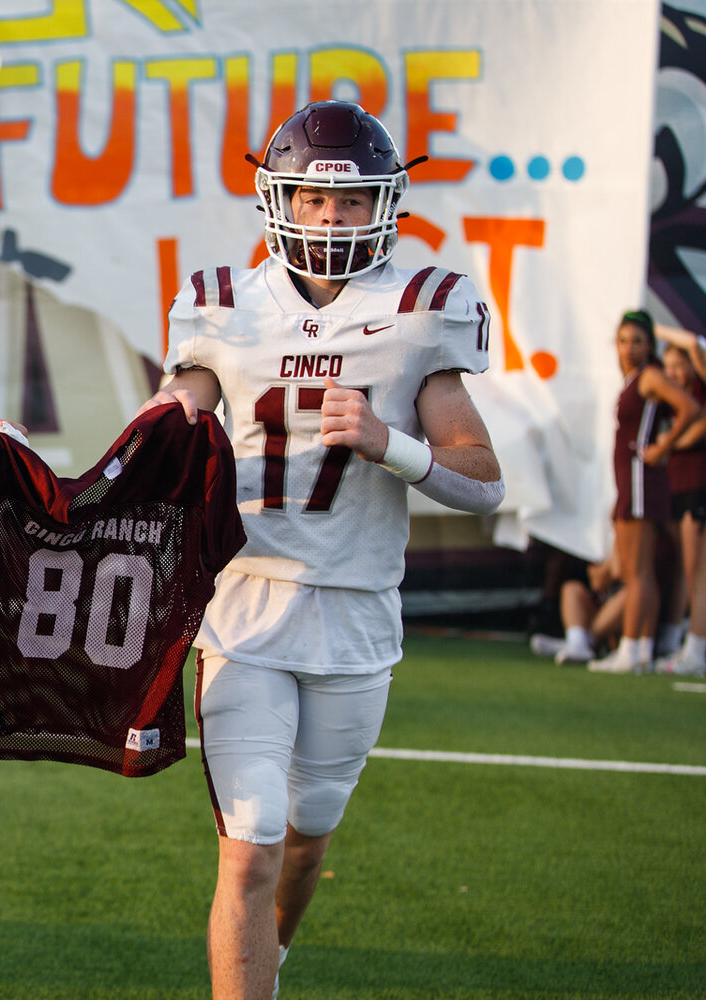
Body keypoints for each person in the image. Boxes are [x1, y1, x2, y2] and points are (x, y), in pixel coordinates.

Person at [138, 101, 504, 999]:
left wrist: (392, 443)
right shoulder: (223, 304)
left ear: (386, 204)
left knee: (306, 836)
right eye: (311, 199)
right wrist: (158, 430)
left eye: (348, 203)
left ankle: (271, 960)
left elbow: (484, 479)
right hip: (245, 611)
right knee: (252, 840)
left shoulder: (423, 309)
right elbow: (172, 412)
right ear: (279, 202)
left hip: (356, 616)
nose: (330, 220)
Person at [588, 311, 699, 673]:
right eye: (623, 341)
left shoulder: (650, 376)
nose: (629, 348)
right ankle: (639, 649)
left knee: (637, 572)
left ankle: (631, 649)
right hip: (631, 485)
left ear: (650, 344)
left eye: (637, 341)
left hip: (640, 482)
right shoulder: (633, 380)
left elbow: (691, 408)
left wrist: (662, 447)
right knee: (641, 571)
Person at [654, 327, 706, 674]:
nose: (671, 373)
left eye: (678, 366)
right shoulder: (672, 400)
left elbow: (692, 342)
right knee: (687, 571)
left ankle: (696, 652)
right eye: (667, 367)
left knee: (697, 573)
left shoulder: (700, 389)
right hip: (680, 489)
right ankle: (682, 641)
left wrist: (653, 326)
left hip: (698, 489)